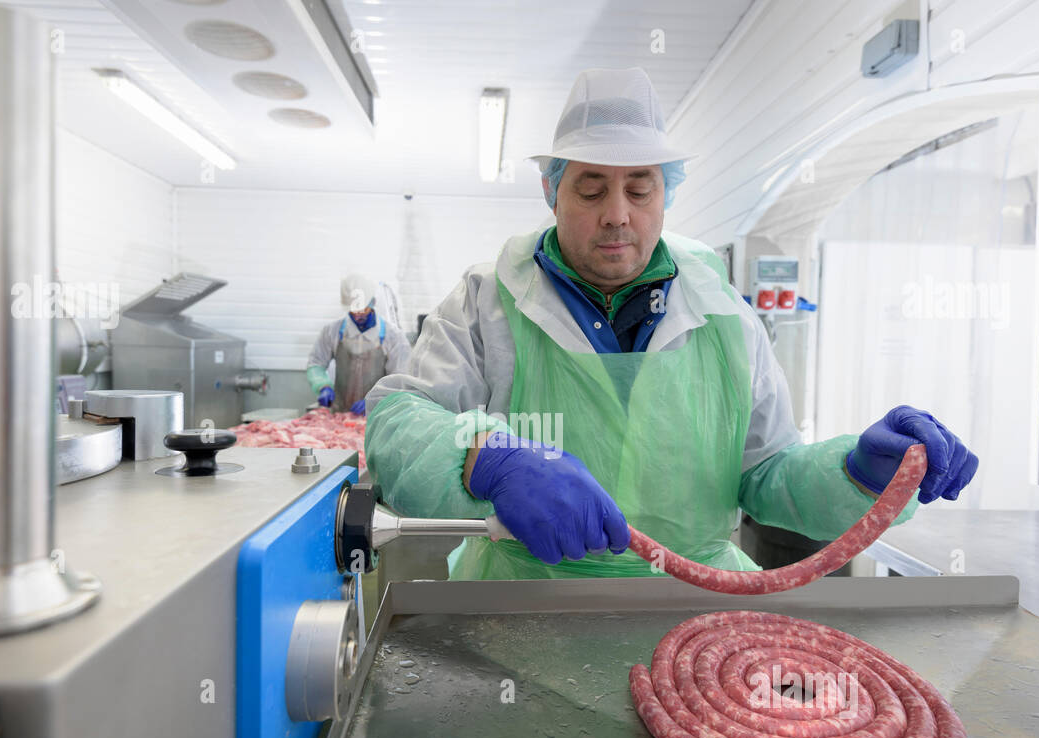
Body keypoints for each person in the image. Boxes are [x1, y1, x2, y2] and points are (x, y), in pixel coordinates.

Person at [364, 68, 978, 579]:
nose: (617, 214)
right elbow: (396, 423)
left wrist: (859, 475)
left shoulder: (723, 314)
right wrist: (487, 459)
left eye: (639, 190)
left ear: (666, 194)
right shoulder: (488, 301)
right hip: (521, 603)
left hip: (695, 608)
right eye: (591, 190)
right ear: (552, 192)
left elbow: (768, 474)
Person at [306, 272, 411, 414]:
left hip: (377, 414)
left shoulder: (394, 337)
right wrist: (323, 386)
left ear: (373, 302)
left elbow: (399, 381)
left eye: (363, 310)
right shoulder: (332, 331)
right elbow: (316, 364)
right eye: (354, 311)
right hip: (340, 415)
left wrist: (375, 400)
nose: (358, 315)